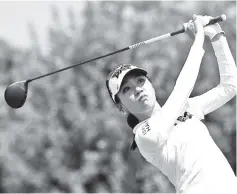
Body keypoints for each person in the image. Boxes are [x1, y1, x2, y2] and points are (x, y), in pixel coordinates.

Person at [106, 14, 237, 193]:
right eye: (126, 89)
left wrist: (216, 37)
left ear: (151, 84)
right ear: (121, 107)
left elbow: (230, 86)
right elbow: (182, 90)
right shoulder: (145, 136)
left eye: (140, 81)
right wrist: (198, 39)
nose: (137, 89)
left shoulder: (186, 108)